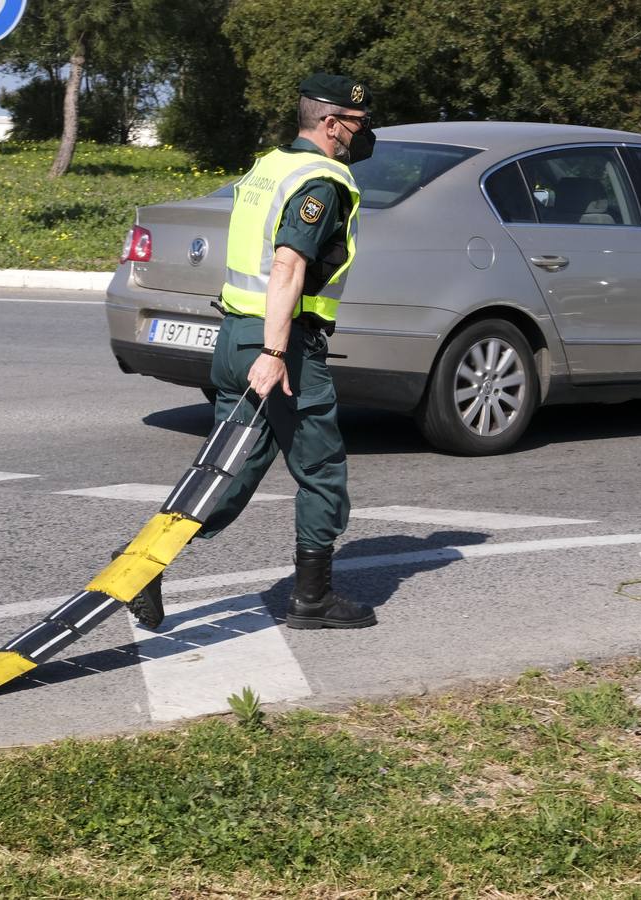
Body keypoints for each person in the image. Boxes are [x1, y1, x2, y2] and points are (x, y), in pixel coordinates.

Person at [125, 73, 378, 632]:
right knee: (321, 471)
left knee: (228, 472)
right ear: (331, 123)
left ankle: (144, 562)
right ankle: (312, 599)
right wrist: (275, 350)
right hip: (282, 347)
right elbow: (288, 264)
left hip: (235, 335)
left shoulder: (269, 167)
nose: (364, 134)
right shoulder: (321, 181)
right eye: (359, 123)